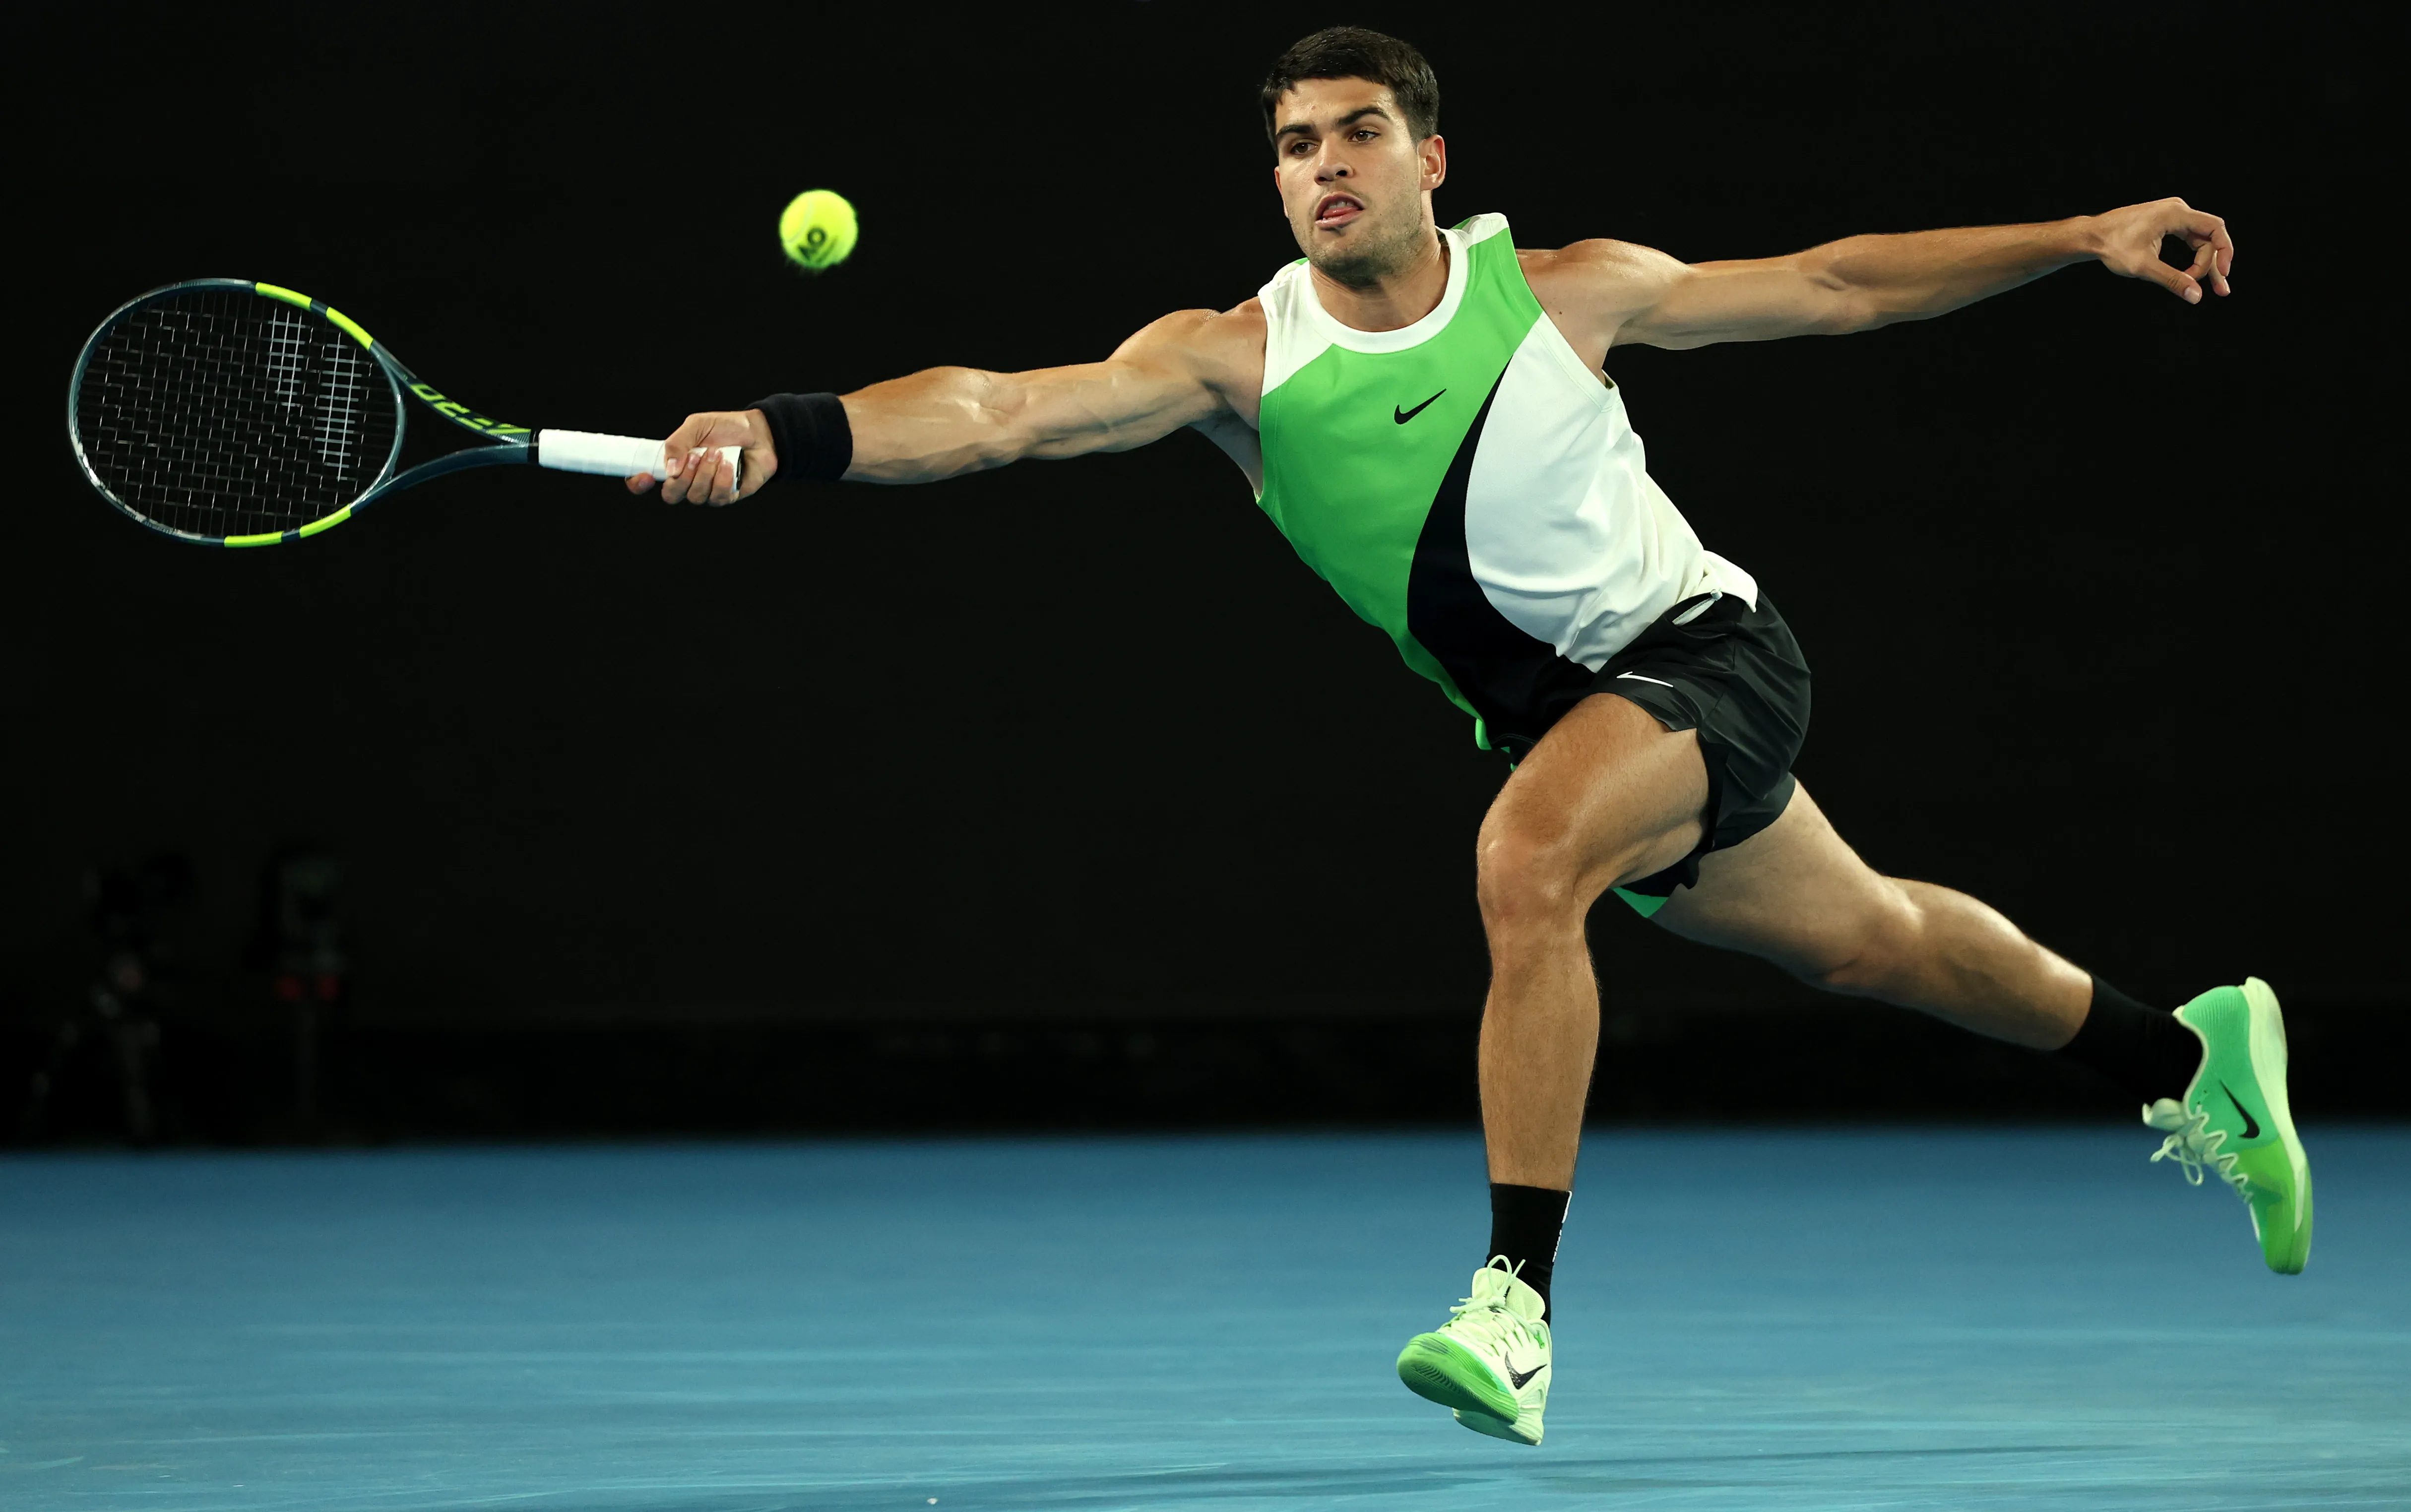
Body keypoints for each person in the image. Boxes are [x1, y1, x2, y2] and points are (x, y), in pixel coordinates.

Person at [632, 25, 2307, 1448]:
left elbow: (1835, 287)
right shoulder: (1235, 361)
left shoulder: (1564, 294)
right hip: (1571, 717)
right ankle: (2189, 1058)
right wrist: (798, 433)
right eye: (1294, 147)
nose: (1323, 166)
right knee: (1868, 942)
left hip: (1702, 659)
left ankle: (1515, 1303)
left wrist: (2081, 230)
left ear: (1432, 157)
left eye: (1358, 132)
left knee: (1526, 855)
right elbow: (999, 409)